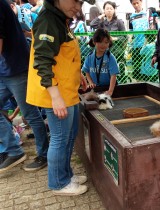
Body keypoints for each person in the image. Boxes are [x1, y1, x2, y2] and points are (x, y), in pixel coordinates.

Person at [26, 0, 88, 196]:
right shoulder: (48, 20)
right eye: (75, 1)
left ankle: (66, 175)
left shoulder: (61, 18)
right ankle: (58, 183)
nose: (78, 7)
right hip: (57, 93)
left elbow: (63, 54)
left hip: (68, 90)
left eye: (81, 2)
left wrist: (78, 74)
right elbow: (42, 61)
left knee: (70, 136)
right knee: (60, 139)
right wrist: (56, 97)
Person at [0, 0, 49, 172]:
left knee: (29, 113)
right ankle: (12, 150)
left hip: (17, 67)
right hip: (4, 69)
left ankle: (44, 153)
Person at [90, 1, 127, 83]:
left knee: (118, 73)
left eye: (111, 8)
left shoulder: (119, 22)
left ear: (114, 10)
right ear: (104, 10)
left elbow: (125, 37)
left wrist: (115, 38)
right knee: (106, 73)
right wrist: (102, 15)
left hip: (117, 51)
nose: (109, 10)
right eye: (107, 9)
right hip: (105, 51)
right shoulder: (102, 23)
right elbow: (92, 24)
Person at [82, 29, 119, 96]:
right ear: (94, 42)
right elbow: (86, 72)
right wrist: (90, 82)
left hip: (108, 88)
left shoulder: (110, 57)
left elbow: (113, 75)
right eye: (100, 42)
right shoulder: (89, 57)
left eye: (106, 42)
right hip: (96, 88)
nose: (103, 45)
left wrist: (110, 91)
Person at [129, 0, 148, 80]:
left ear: (141, 2)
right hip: (136, 46)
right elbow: (130, 32)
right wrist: (129, 44)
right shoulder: (131, 17)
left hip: (146, 45)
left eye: (137, 3)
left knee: (146, 67)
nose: (136, 5)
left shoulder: (147, 14)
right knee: (136, 68)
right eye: (134, 3)